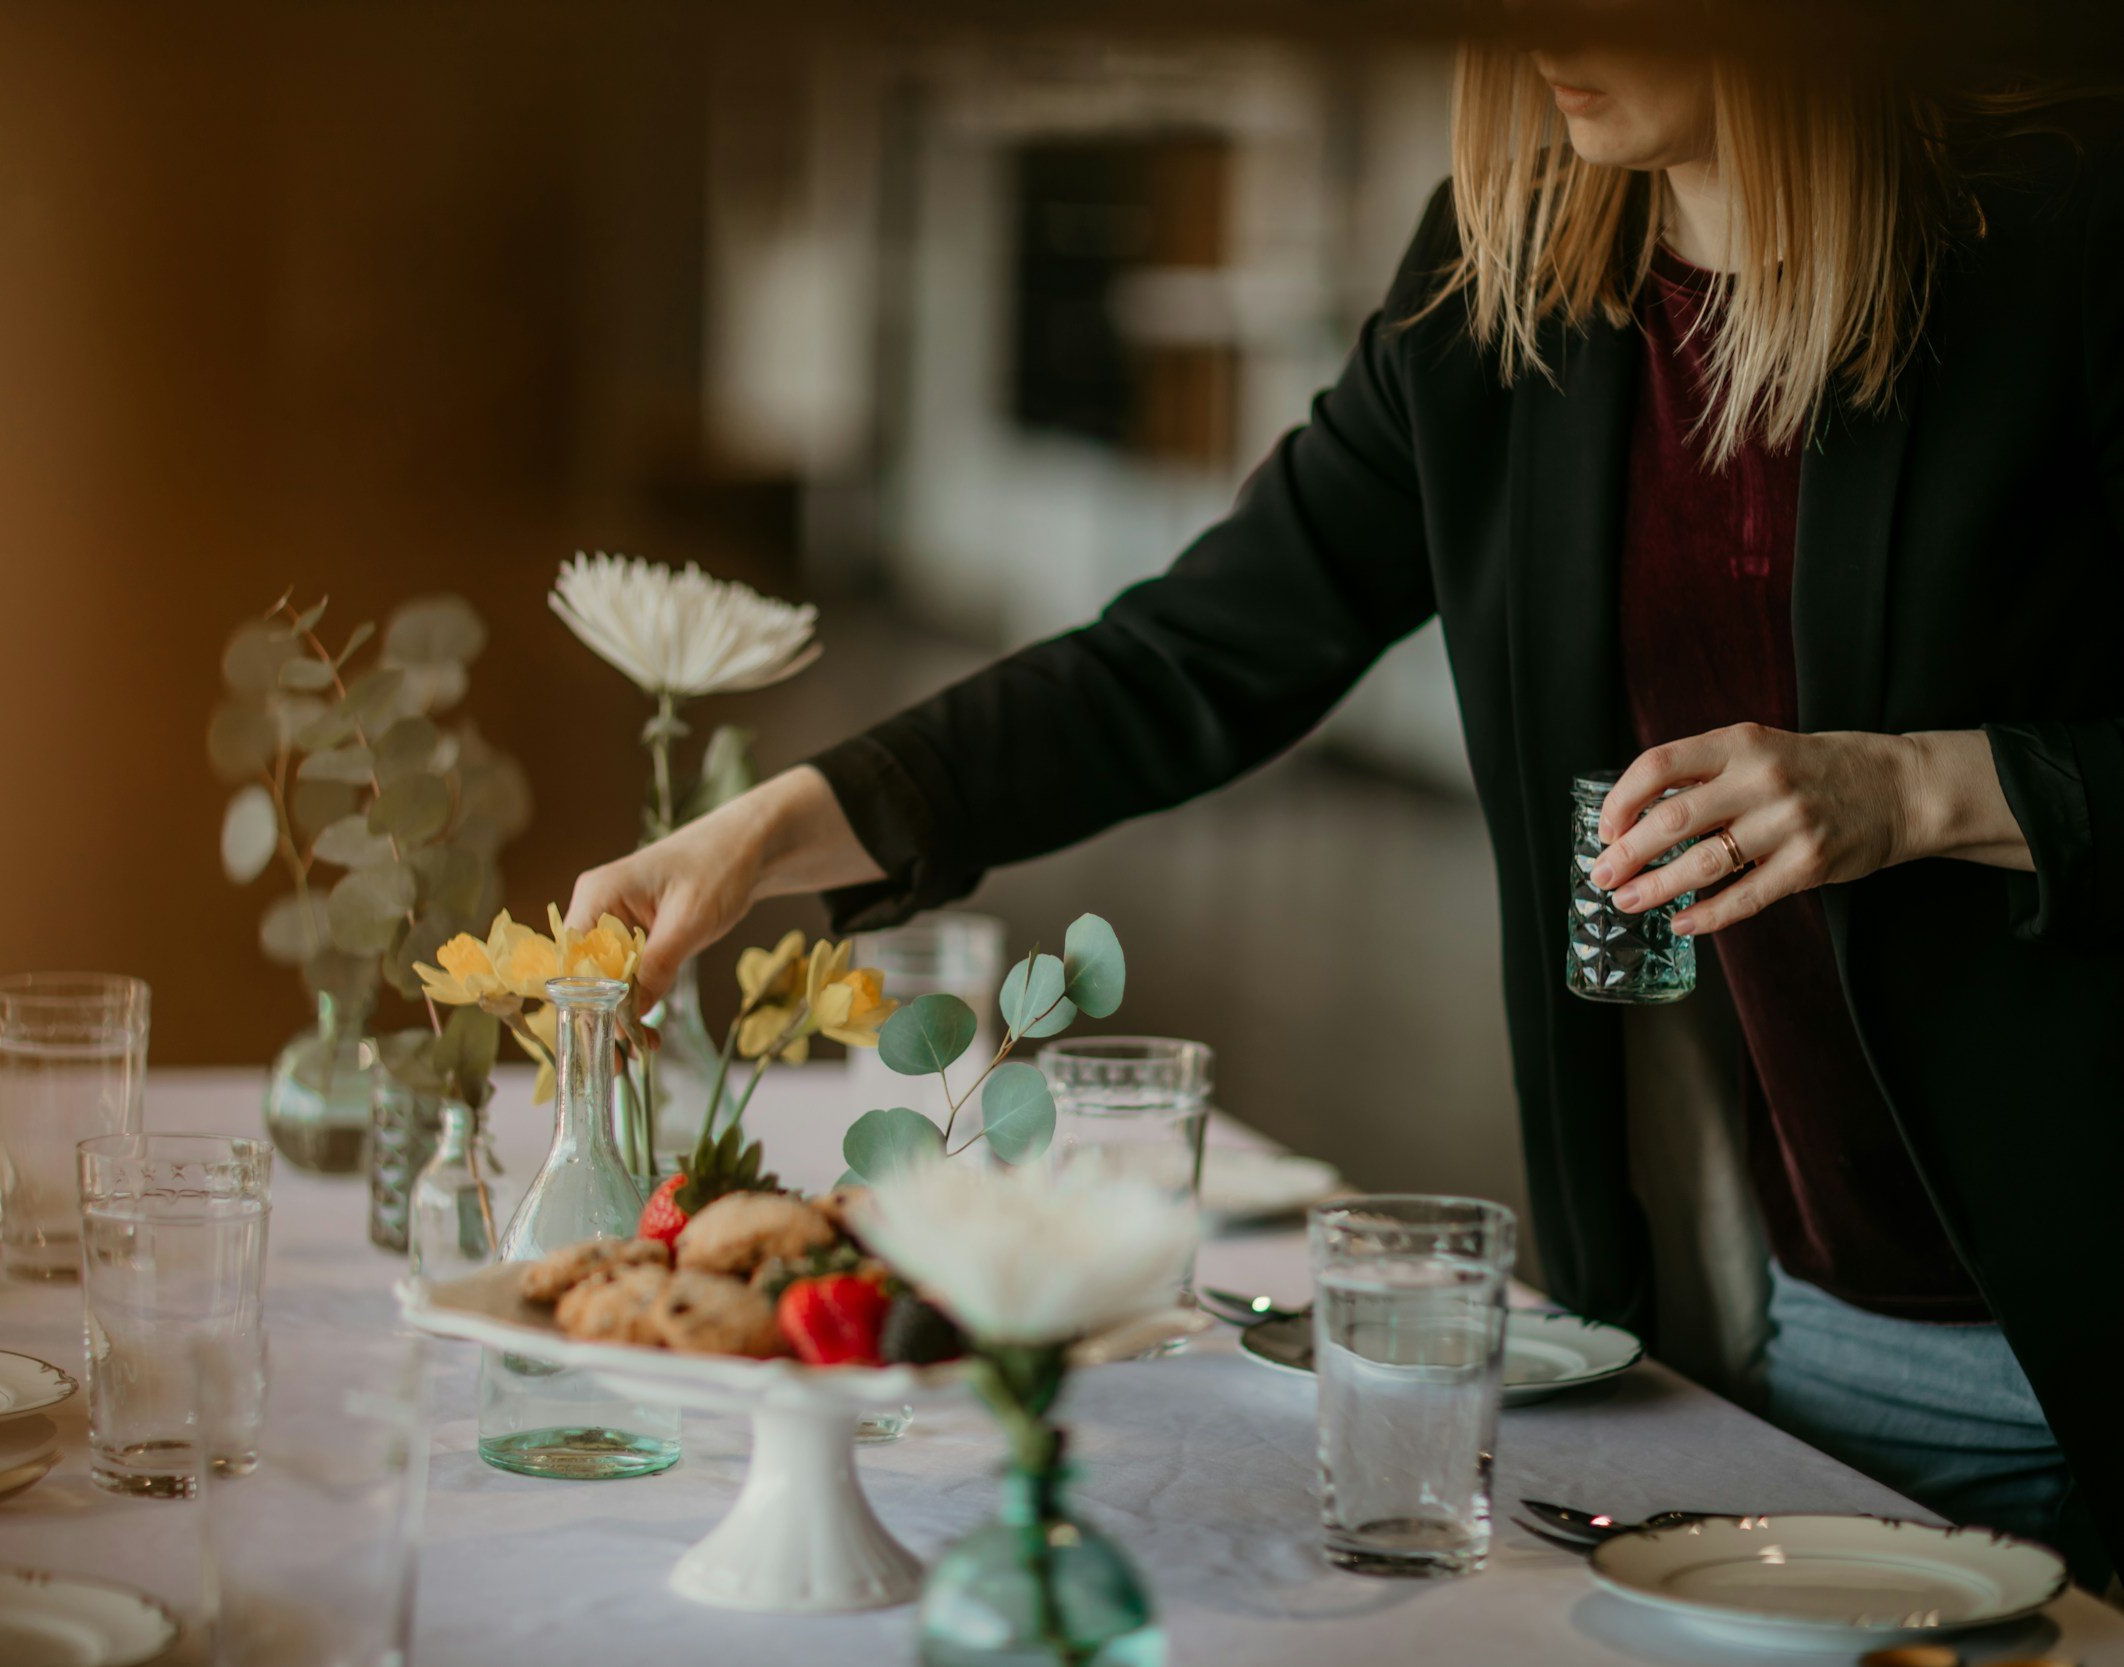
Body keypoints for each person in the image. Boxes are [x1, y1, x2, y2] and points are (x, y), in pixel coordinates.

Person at [565, 43, 2124, 1583]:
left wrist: (1929, 786)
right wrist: (775, 829)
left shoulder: (2063, 224)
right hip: (1802, 1330)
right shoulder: (1505, 276)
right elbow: (1188, 658)